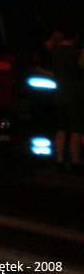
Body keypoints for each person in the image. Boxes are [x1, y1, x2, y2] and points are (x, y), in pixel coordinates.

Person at [50, 27, 84, 173]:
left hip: (59, 94)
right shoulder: (79, 54)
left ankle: (59, 160)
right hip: (75, 95)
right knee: (76, 129)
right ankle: (75, 162)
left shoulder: (55, 52)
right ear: (75, 36)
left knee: (61, 128)